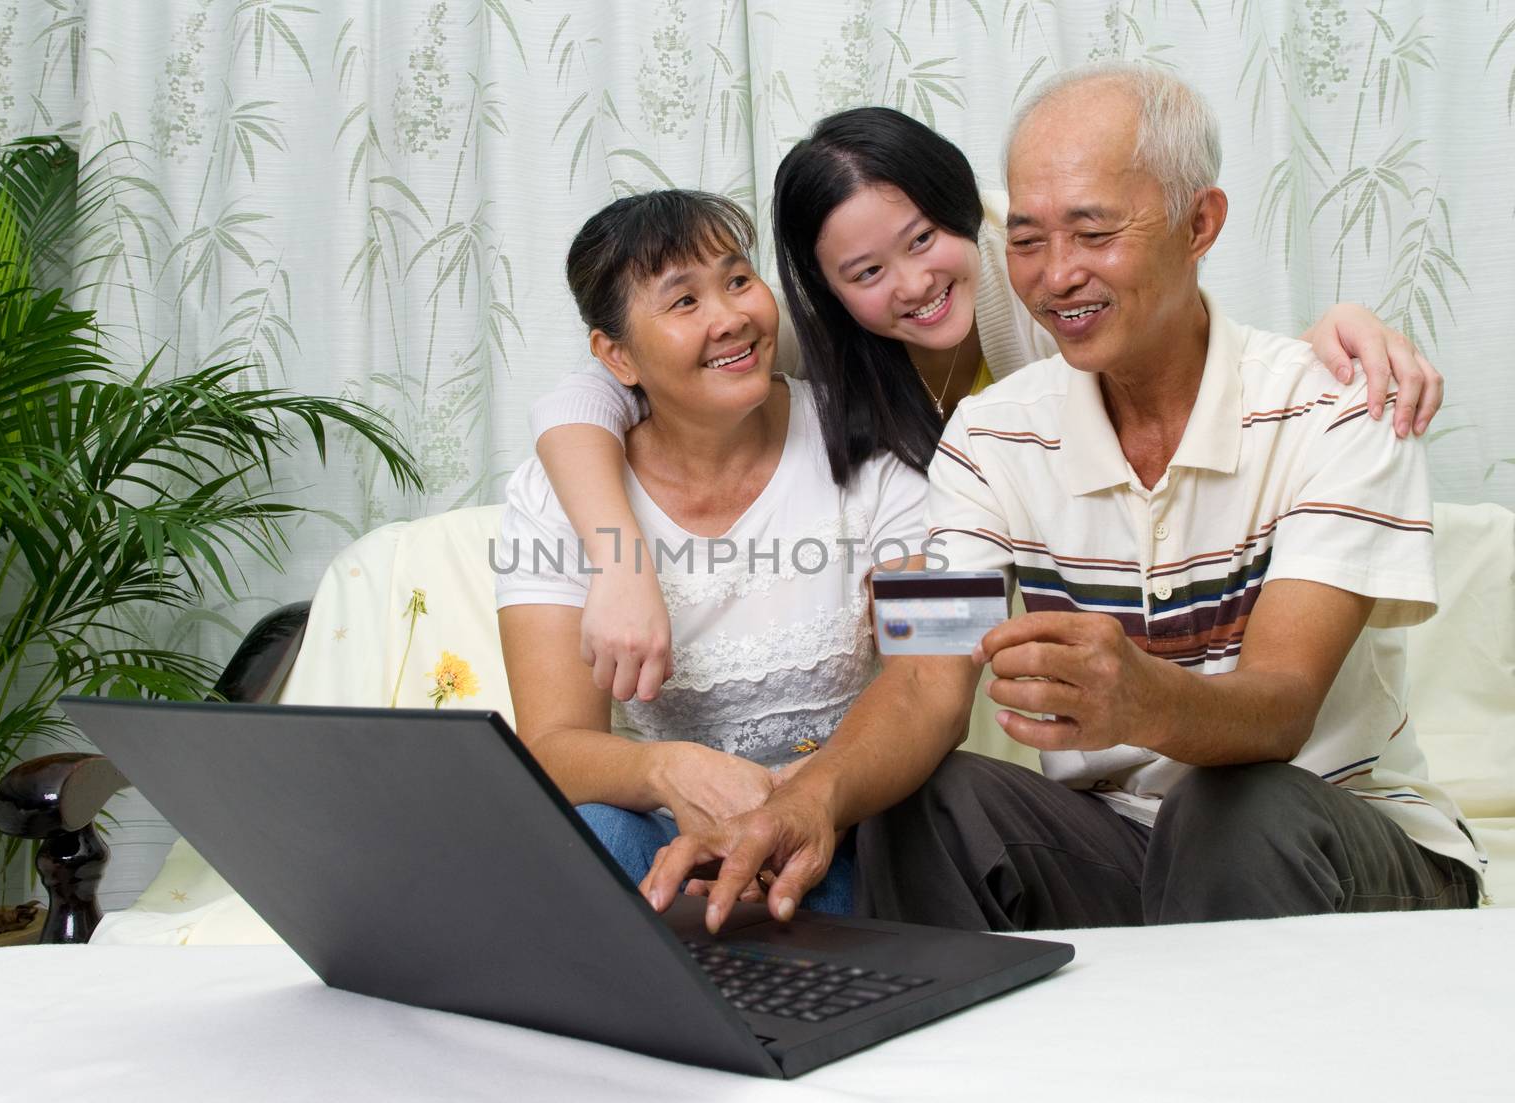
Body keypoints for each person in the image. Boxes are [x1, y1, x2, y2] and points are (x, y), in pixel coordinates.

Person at [641, 63, 1485, 934]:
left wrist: (1143, 698)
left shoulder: (1339, 407)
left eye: (1093, 231)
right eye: (1031, 240)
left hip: (1340, 841)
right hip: (1128, 846)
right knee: (932, 797)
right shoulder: (986, 436)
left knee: (1234, 808)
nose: (1056, 277)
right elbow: (927, 675)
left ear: (1201, 223)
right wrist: (807, 801)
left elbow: (1282, 702)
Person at [528, 107, 1444, 705]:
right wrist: (620, 562)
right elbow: (589, 393)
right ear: (824, 290)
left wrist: (1337, 323)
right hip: (981, 650)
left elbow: (1190, 339)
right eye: (866, 273)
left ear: (969, 213)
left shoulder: (1045, 275)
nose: (915, 284)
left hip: (1155, 627)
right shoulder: (796, 340)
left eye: (926, 238)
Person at [494, 190, 929, 912]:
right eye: (683, 301)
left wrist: (806, 802)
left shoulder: (868, 442)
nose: (730, 317)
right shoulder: (561, 493)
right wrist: (669, 773)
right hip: (666, 844)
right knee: (586, 837)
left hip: (842, 829)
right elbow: (551, 743)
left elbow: (926, 678)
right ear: (616, 355)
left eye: (736, 280)